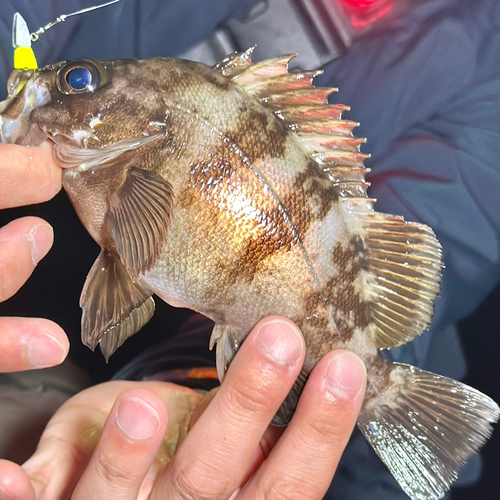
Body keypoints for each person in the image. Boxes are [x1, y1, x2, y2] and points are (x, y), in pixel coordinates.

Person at [1, 0, 500, 498]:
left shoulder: (486, 64)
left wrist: (200, 396)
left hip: (325, 448)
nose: (61, 89)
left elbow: (444, 224)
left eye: (80, 82)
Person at [0, 143, 367, 498]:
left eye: (78, 76)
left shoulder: (416, 103)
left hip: (125, 376)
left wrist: (201, 388)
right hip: (42, 363)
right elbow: (26, 80)